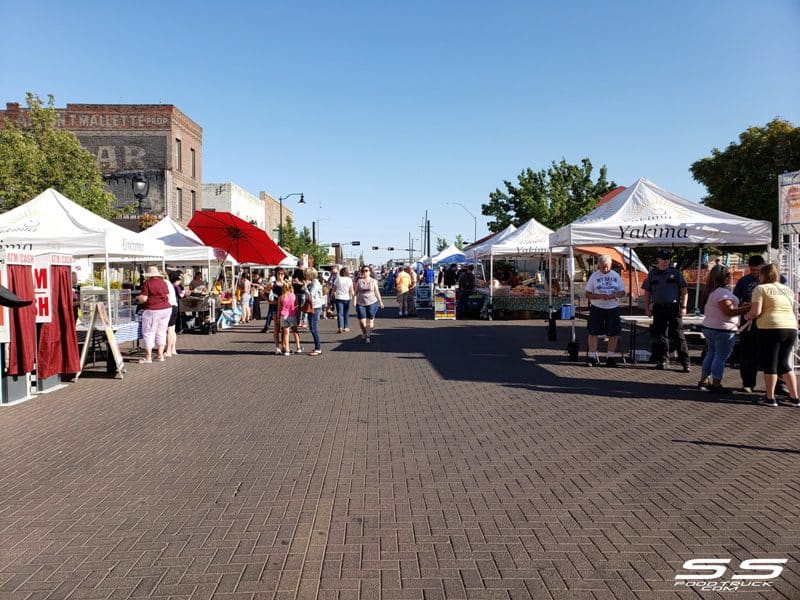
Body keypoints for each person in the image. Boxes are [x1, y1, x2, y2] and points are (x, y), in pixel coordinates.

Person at [744, 263, 799, 407]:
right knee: (784, 363)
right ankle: (794, 398)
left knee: (770, 364)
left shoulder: (760, 289)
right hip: (790, 327)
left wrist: (748, 316)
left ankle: (770, 398)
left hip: (770, 327)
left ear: (763, 275)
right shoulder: (787, 290)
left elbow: (756, 312)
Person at [698, 265, 750, 392]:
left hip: (710, 326)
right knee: (720, 357)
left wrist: (740, 306)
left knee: (711, 354)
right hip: (723, 329)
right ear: (722, 277)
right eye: (728, 275)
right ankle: (716, 383)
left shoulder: (712, 291)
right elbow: (729, 311)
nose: (730, 277)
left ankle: (703, 380)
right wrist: (748, 308)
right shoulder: (722, 293)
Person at [642, 249, 691, 372]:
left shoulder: (676, 273)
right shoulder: (652, 274)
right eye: (663, 259)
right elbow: (647, 292)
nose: (666, 261)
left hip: (673, 307)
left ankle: (686, 362)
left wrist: (684, 307)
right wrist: (647, 307)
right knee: (661, 335)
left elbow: (684, 291)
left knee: (678, 334)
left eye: (668, 259)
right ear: (658, 259)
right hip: (658, 307)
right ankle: (664, 360)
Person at [584, 255, 626, 367]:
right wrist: (599, 296)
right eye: (602, 267)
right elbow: (587, 293)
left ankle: (610, 357)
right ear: (598, 266)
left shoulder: (616, 275)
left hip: (612, 308)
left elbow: (622, 292)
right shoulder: (594, 276)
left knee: (614, 333)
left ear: (611, 265)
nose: (605, 269)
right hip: (597, 308)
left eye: (607, 267)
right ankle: (592, 357)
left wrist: (615, 294)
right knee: (593, 332)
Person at [733, 255, 766, 392]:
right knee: (747, 355)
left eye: (757, 270)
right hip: (748, 323)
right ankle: (747, 383)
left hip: (766, 324)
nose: (754, 273)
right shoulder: (743, 281)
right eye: (751, 270)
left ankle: (778, 385)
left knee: (770, 355)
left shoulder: (772, 280)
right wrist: (743, 304)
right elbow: (735, 299)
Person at [137, 266, 171, 364]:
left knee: (149, 332)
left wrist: (138, 299)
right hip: (166, 308)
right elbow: (167, 296)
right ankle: (160, 355)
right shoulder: (163, 282)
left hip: (153, 309)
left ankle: (148, 357)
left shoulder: (147, 283)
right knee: (162, 331)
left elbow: (143, 299)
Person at [355, 265, 385, 344]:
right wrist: (354, 301)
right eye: (363, 271)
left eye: (367, 270)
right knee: (362, 321)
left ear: (370, 272)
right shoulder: (359, 281)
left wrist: (380, 302)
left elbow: (377, 292)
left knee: (370, 319)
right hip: (361, 303)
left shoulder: (374, 281)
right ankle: (364, 332)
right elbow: (356, 292)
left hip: (372, 302)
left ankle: (368, 336)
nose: (365, 272)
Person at [277, 280, 302, 355]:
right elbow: (297, 308)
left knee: (286, 333)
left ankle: (287, 349)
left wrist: (278, 318)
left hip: (284, 316)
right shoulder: (294, 296)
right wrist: (298, 317)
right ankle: (298, 347)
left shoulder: (281, 297)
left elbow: (279, 309)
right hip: (293, 315)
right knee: (295, 331)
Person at [305, 268, 325, 355]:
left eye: (306, 274)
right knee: (312, 327)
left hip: (315, 307)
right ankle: (317, 347)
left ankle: (318, 348)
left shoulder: (314, 284)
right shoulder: (315, 282)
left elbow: (310, 295)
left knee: (313, 328)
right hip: (316, 306)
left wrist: (305, 287)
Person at [261, 268, 285, 336]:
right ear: (276, 274)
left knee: (284, 327)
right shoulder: (272, 284)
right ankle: (277, 345)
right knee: (277, 326)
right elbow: (262, 292)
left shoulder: (286, 283)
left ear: (284, 275)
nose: (280, 275)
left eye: (282, 274)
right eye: (278, 273)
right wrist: (269, 301)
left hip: (284, 306)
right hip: (275, 306)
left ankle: (284, 344)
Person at [165, 271, 182, 357]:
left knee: (169, 330)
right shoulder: (171, 285)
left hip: (170, 307)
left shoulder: (166, 283)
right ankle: (173, 349)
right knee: (172, 329)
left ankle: (168, 350)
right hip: (174, 306)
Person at [332, 266, 355, 333]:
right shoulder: (349, 280)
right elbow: (351, 290)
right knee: (346, 313)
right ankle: (346, 327)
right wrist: (354, 297)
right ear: (347, 273)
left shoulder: (338, 279)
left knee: (339, 313)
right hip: (347, 298)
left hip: (338, 297)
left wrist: (331, 295)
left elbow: (334, 288)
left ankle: (340, 327)